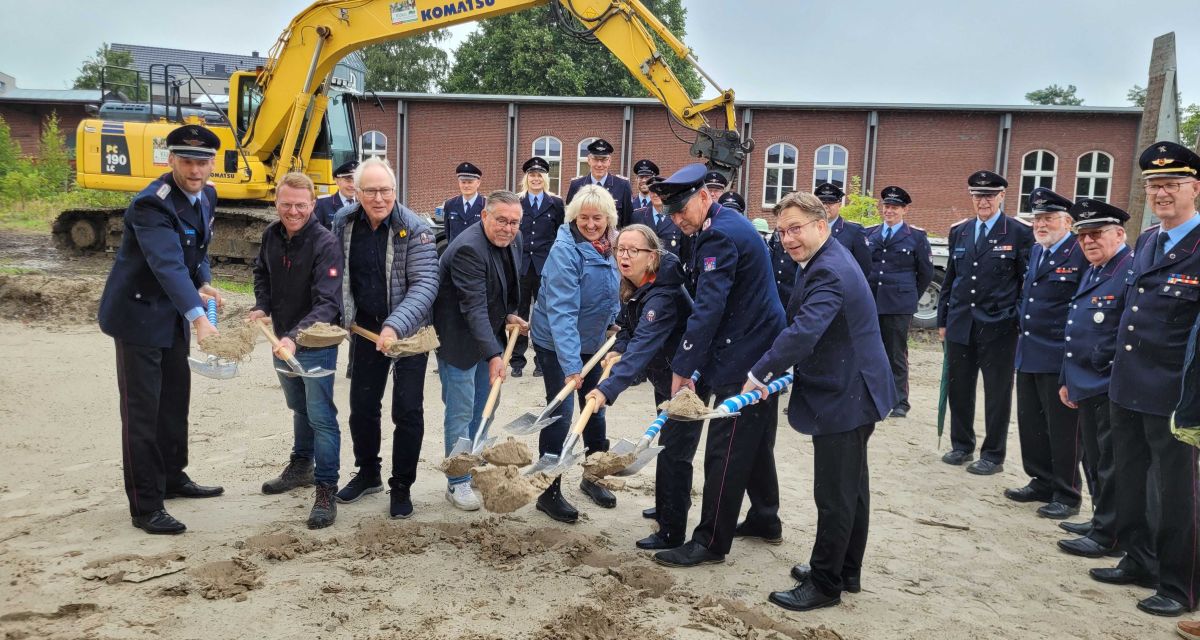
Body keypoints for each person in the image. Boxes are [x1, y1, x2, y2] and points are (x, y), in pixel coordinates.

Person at [744, 191, 896, 612]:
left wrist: (760, 373)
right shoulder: (825, 259)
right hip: (853, 386)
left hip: (847, 393)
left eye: (796, 228)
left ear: (820, 225)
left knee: (834, 495)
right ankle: (846, 570)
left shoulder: (828, 269)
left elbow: (804, 332)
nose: (788, 239)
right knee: (852, 490)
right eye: (781, 231)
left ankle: (826, 583)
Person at [648, 163, 786, 568]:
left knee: (725, 448)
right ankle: (764, 517)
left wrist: (685, 366)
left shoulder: (720, 236)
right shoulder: (720, 223)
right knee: (754, 439)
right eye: (670, 214)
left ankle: (710, 543)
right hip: (754, 341)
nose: (676, 220)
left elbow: (709, 309)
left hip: (746, 351)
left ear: (705, 197)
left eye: (681, 211)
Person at [98, 124, 225, 535]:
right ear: (170, 160)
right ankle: (146, 505)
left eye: (202, 161)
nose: (195, 170)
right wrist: (200, 319)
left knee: (174, 402)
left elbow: (196, 250)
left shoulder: (207, 194)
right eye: (186, 161)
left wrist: (203, 280)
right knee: (142, 413)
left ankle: (173, 476)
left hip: (171, 314)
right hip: (138, 317)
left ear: (212, 164)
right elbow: (167, 265)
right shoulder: (150, 205)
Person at [1097, 141, 1200, 617]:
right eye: (1154, 185)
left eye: (1172, 184)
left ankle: (1179, 586)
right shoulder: (1151, 241)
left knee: (1177, 493)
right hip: (1129, 384)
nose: (1161, 193)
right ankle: (1138, 560)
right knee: (1132, 480)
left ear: (1195, 189)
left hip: (1174, 394)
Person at [326, 158, 439, 519]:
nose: (379, 198)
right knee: (361, 407)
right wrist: (339, 314)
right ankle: (369, 472)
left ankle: (401, 485)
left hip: (410, 333)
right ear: (356, 193)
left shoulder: (416, 228)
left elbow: (424, 285)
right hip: (364, 330)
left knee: (406, 410)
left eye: (385, 190)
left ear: (395, 190)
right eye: (371, 191)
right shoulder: (343, 223)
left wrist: (394, 327)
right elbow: (336, 273)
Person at [248, 172, 345, 529]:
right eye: (286, 204)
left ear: (312, 205)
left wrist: (296, 337)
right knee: (298, 406)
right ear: (276, 202)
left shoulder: (325, 242)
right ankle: (301, 465)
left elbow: (327, 302)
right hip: (282, 339)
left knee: (320, 414)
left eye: (300, 205)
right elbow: (262, 273)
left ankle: (326, 487)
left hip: (315, 343)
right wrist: (262, 305)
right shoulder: (270, 235)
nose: (293, 211)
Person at [585, 224, 692, 547]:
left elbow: (644, 344)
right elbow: (630, 331)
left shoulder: (663, 295)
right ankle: (665, 506)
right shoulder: (637, 284)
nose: (625, 256)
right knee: (669, 443)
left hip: (686, 378)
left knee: (675, 451)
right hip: (666, 373)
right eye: (621, 250)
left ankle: (671, 531)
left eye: (634, 251)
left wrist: (606, 389)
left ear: (653, 257)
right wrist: (617, 350)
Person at [432, 190, 529, 510]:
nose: (508, 227)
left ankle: (473, 467)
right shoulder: (468, 249)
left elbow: (500, 291)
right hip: (459, 342)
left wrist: (508, 315)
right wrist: (494, 355)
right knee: (460, 413)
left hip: (489, 336)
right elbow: (472, 307)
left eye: (514, 222)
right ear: (484, 216)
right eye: (501, 220)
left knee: (485, 407)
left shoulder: (513, 240)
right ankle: (457, 482)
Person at [530, 184, 621, 521]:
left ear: (608, 218)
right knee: (563, 411)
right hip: (556, 342)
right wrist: (571, 366)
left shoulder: (611, 244)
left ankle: (593, 476)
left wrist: (614, 321)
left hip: (592, 340)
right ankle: (548, 490)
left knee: (595, 406)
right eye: (584, 218)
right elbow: (562, 312)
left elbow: (614, 288)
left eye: (597, 218)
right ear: (574, 217)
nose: (591, 224)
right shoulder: (564, 252)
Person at [937, 170, 1033, 475]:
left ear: (1002, 196)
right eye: (978, 196)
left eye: (989, 196)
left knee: (997, 393)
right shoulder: (960, 231)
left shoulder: (1018, 232)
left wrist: (1014, 318)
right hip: (961, 323)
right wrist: (943, 320)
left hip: (999, 327)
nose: (983, 201)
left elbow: (1026, 282)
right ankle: (961, 445)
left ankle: (993, 454)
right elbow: (951, 278)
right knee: (959, 388)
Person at [1054, 198, 1133, 560]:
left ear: (1119, 233)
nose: (1088, 241)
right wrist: (1067, 377)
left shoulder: (1128, 271)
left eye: (1096, 233)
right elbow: (1077, 330)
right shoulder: (1097, 269)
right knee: (1094, 459)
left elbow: (1125, 334)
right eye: (1083, 235)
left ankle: (1110, 535)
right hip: (1085, 381)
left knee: (1110, 463)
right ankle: (1101, 520)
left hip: (1107, 383)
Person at [1007, 187, 1087, 518]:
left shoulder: (1079, 252)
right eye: (1037, 219)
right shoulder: (1039, 251)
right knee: (1032, 423)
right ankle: (1040, 479)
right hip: (1029, 351)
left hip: (1058, 354)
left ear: (1067, 221)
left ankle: (1067, 493)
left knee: (1064, 430)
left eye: (1049, 218)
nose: (1041, 224)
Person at [864, 186, 932, 418]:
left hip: (898, 304)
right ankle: (875, 396)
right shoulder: (870, 234)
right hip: (872, 301)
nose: (889, 211)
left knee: (895, 353)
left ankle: (900, 401)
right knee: (872, 351)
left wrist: (908, 294)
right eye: (886, 206)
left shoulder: (915, 237)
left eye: (894, 207)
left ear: (904, 210)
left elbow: (925, 273)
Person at [511, 156, 565, 379]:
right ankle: (516, 360)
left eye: (539, 175)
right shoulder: (517, 202)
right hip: (522, 265)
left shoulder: (556, 203)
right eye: (531, 175)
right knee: (520, 311)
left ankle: (542, 360)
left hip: (545, 265)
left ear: (545, 178)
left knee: (544, 313)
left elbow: (560, 233)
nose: (535, 179)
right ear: (526, 178)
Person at [566, 139, 633, 228]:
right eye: (595, 159)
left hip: (612, 240)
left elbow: (627, 221)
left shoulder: (623, 185)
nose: (599, 164)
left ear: (609, 161)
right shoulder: (576, 185)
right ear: (589, 160)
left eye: (604, 160)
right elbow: (570, 218)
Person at [813, 182, 871, 276]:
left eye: (830, 203)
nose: (826, 207)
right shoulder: (811, 229)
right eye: (822, 203)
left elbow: (864, 268)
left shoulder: (854, 231)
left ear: (839, 204)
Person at [632, 175, 689, 261]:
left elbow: (685, 251)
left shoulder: (678, 216)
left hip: (671, 271)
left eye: (659, 191)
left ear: (667, 193)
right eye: (652, 191)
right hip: (645, 270)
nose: (655, 194)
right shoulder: (637, 216)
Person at [443, 162, 485, 243]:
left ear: (478, 183)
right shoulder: (450, 204)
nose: (466, 186)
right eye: (463, 182)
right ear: (459, 183)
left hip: (476, 253)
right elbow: (448, 233)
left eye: (470, 182)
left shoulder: (486, 205)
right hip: (456, 253)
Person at [766, 207, 798, 307]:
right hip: (775, 291)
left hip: (791, 290)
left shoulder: (799, 233)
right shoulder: (777, 232)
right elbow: (772, 252)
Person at [313, 159, 358, 229]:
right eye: (348, 181)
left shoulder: (363, 204)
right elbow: (315, 233)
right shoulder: (322, 204)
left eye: (355, 181)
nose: (352, 185)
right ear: (337, 181)